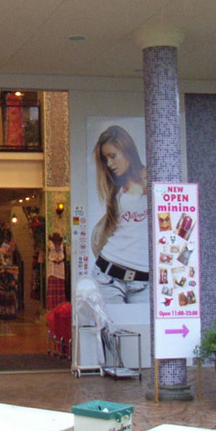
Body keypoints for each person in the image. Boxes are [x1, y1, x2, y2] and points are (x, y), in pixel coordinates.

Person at [90, 125, 149, 304]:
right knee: (111, 323)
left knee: (143, 322)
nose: (109, 164)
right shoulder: (116, 187)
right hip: (107, 276)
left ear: (127, 150)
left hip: (144, 280)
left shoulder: (151, 177)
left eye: (113, 156)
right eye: (105, 159)